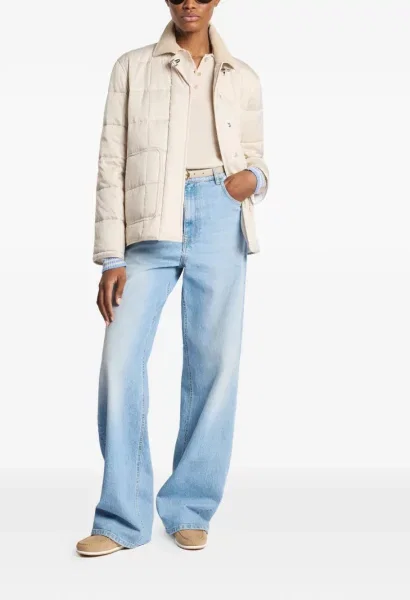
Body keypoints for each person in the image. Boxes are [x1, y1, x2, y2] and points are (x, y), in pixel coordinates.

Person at [76, 0, 269, 557]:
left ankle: (190, 507)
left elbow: (258, 157)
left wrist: (252, 180)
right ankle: (121, 518)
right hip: (148, 225)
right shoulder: (132, 66)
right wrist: (110, 256)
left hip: (220, 215)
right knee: (120, 362)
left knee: (214, 366)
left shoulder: (242, 75)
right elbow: (110, 162)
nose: (190, 2)